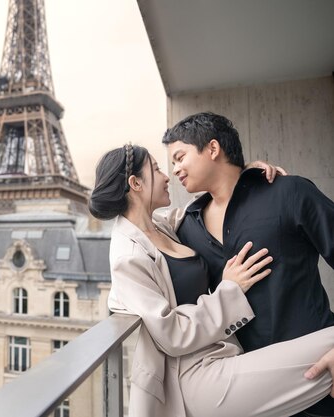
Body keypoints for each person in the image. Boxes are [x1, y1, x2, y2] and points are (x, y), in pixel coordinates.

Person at [89, 144, 334, 417]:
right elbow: (171, 334)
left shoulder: (159, 225)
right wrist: (230, 289)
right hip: (195, 377)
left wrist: (243, 180)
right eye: (157, 169)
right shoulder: (127, 255)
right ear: (135, 183)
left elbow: (206, 208)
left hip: (221, 355)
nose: (167, 175)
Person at [162, 112, 334, 416]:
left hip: (321, 376)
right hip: (248, 395)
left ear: (212, 149)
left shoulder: (289, 192)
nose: (174, 169)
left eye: (179, 157)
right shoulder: (186, 230)